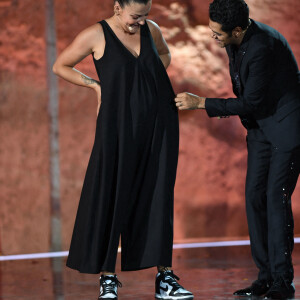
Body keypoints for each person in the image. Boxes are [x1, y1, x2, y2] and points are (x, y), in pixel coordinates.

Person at [52, 0, 194, 299]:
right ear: (117, 8)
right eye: (135, 16)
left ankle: (164, 277)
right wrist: (97, 86)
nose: (140, 22)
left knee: (157, 193)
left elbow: (164, 54)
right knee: (112, 192)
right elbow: (60, 65)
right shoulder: (95, 34)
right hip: (117, 123)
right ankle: (107, 277)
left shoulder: (150, 29)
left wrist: (146, 81)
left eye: (145, 16)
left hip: (159, 120)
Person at [175, 0, 300, 299]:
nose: (213, 38)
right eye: (212, 31)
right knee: (255, 196)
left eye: (218, 34)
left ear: (238, 29)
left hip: (286, 127)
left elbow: (251, 101)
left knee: (275, 197)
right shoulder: (235, 39)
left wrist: (201, 102)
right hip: (260, 129)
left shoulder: (262, 47)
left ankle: (283, 280)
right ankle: (265, 276)